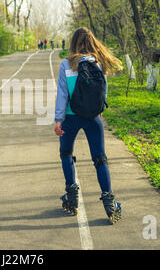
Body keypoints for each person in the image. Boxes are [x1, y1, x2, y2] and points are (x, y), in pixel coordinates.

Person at [54, 27, 123, 224]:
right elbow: (104, 90)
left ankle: (72, 196)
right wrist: (99, 110)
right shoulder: (98, 64)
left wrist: (58, 120)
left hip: (71, 116)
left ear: (73, 43)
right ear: (92, 42)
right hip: (93, 117)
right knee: (100, 159)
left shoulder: (66, 65)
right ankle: (109, 203)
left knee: (66, 153)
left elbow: (62, 95)